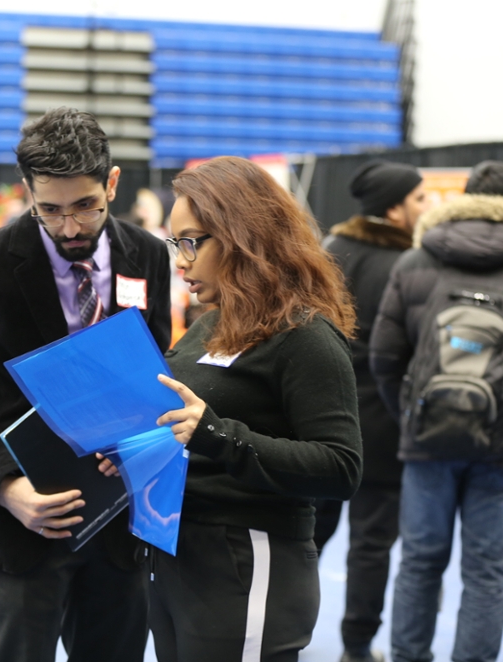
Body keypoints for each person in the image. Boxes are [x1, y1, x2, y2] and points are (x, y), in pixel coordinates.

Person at [0, 107, 172, 662]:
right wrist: (8, 490)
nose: (69, 228)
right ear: (27, 193)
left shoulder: (148, 255)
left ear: (112, 183)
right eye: (50, 210)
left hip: (121, 527)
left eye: (86, 207)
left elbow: (154, 374)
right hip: (23, 529)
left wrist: (143, 444)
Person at [150, 156, 363, 662]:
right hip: (177, 554)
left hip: (249, 559)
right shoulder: (209, 324)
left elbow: (340, 467)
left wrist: (219, 436)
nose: (180, 261)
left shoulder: (305, 335)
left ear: (241, 236)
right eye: (174, 243)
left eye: (190, 242)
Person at [370, 160, 503, 662]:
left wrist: (414, 416)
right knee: (486, 571)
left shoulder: (416, 261)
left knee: (418, 562)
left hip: (427, 439)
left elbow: (385, 357)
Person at [319, 161, 429, 662]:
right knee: (372, 545)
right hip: (383, 426)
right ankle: (357, 649)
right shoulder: (409, 266)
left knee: (304, 537)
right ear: (393, 207)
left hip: (318, 420)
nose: (427, 207)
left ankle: (281, 636)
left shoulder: (326, 256)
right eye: (420, 198)